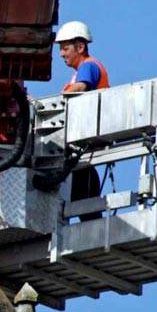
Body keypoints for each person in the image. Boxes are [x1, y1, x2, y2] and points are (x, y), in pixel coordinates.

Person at [54, 20, 110, 218]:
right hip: (82, 145)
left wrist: (55, 100)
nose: (61, 53)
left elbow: (81, 88)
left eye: (65, 48)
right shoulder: (81, 71)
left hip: (86, 137)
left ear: (80, 47)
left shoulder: (88, 66)